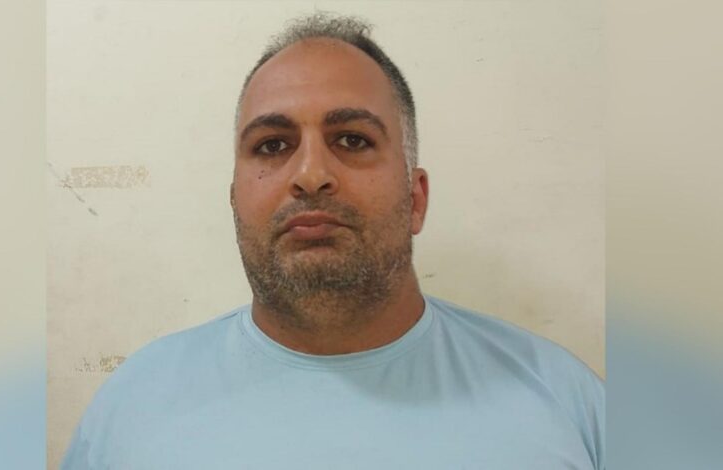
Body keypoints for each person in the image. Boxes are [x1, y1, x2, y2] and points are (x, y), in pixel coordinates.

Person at [62, 12, 604, 470]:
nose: (311, 174)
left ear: (415, 198)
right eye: (272, 145)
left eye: (352, 139)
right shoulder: (132, 408)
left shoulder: (565, 402)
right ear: (234, 200)